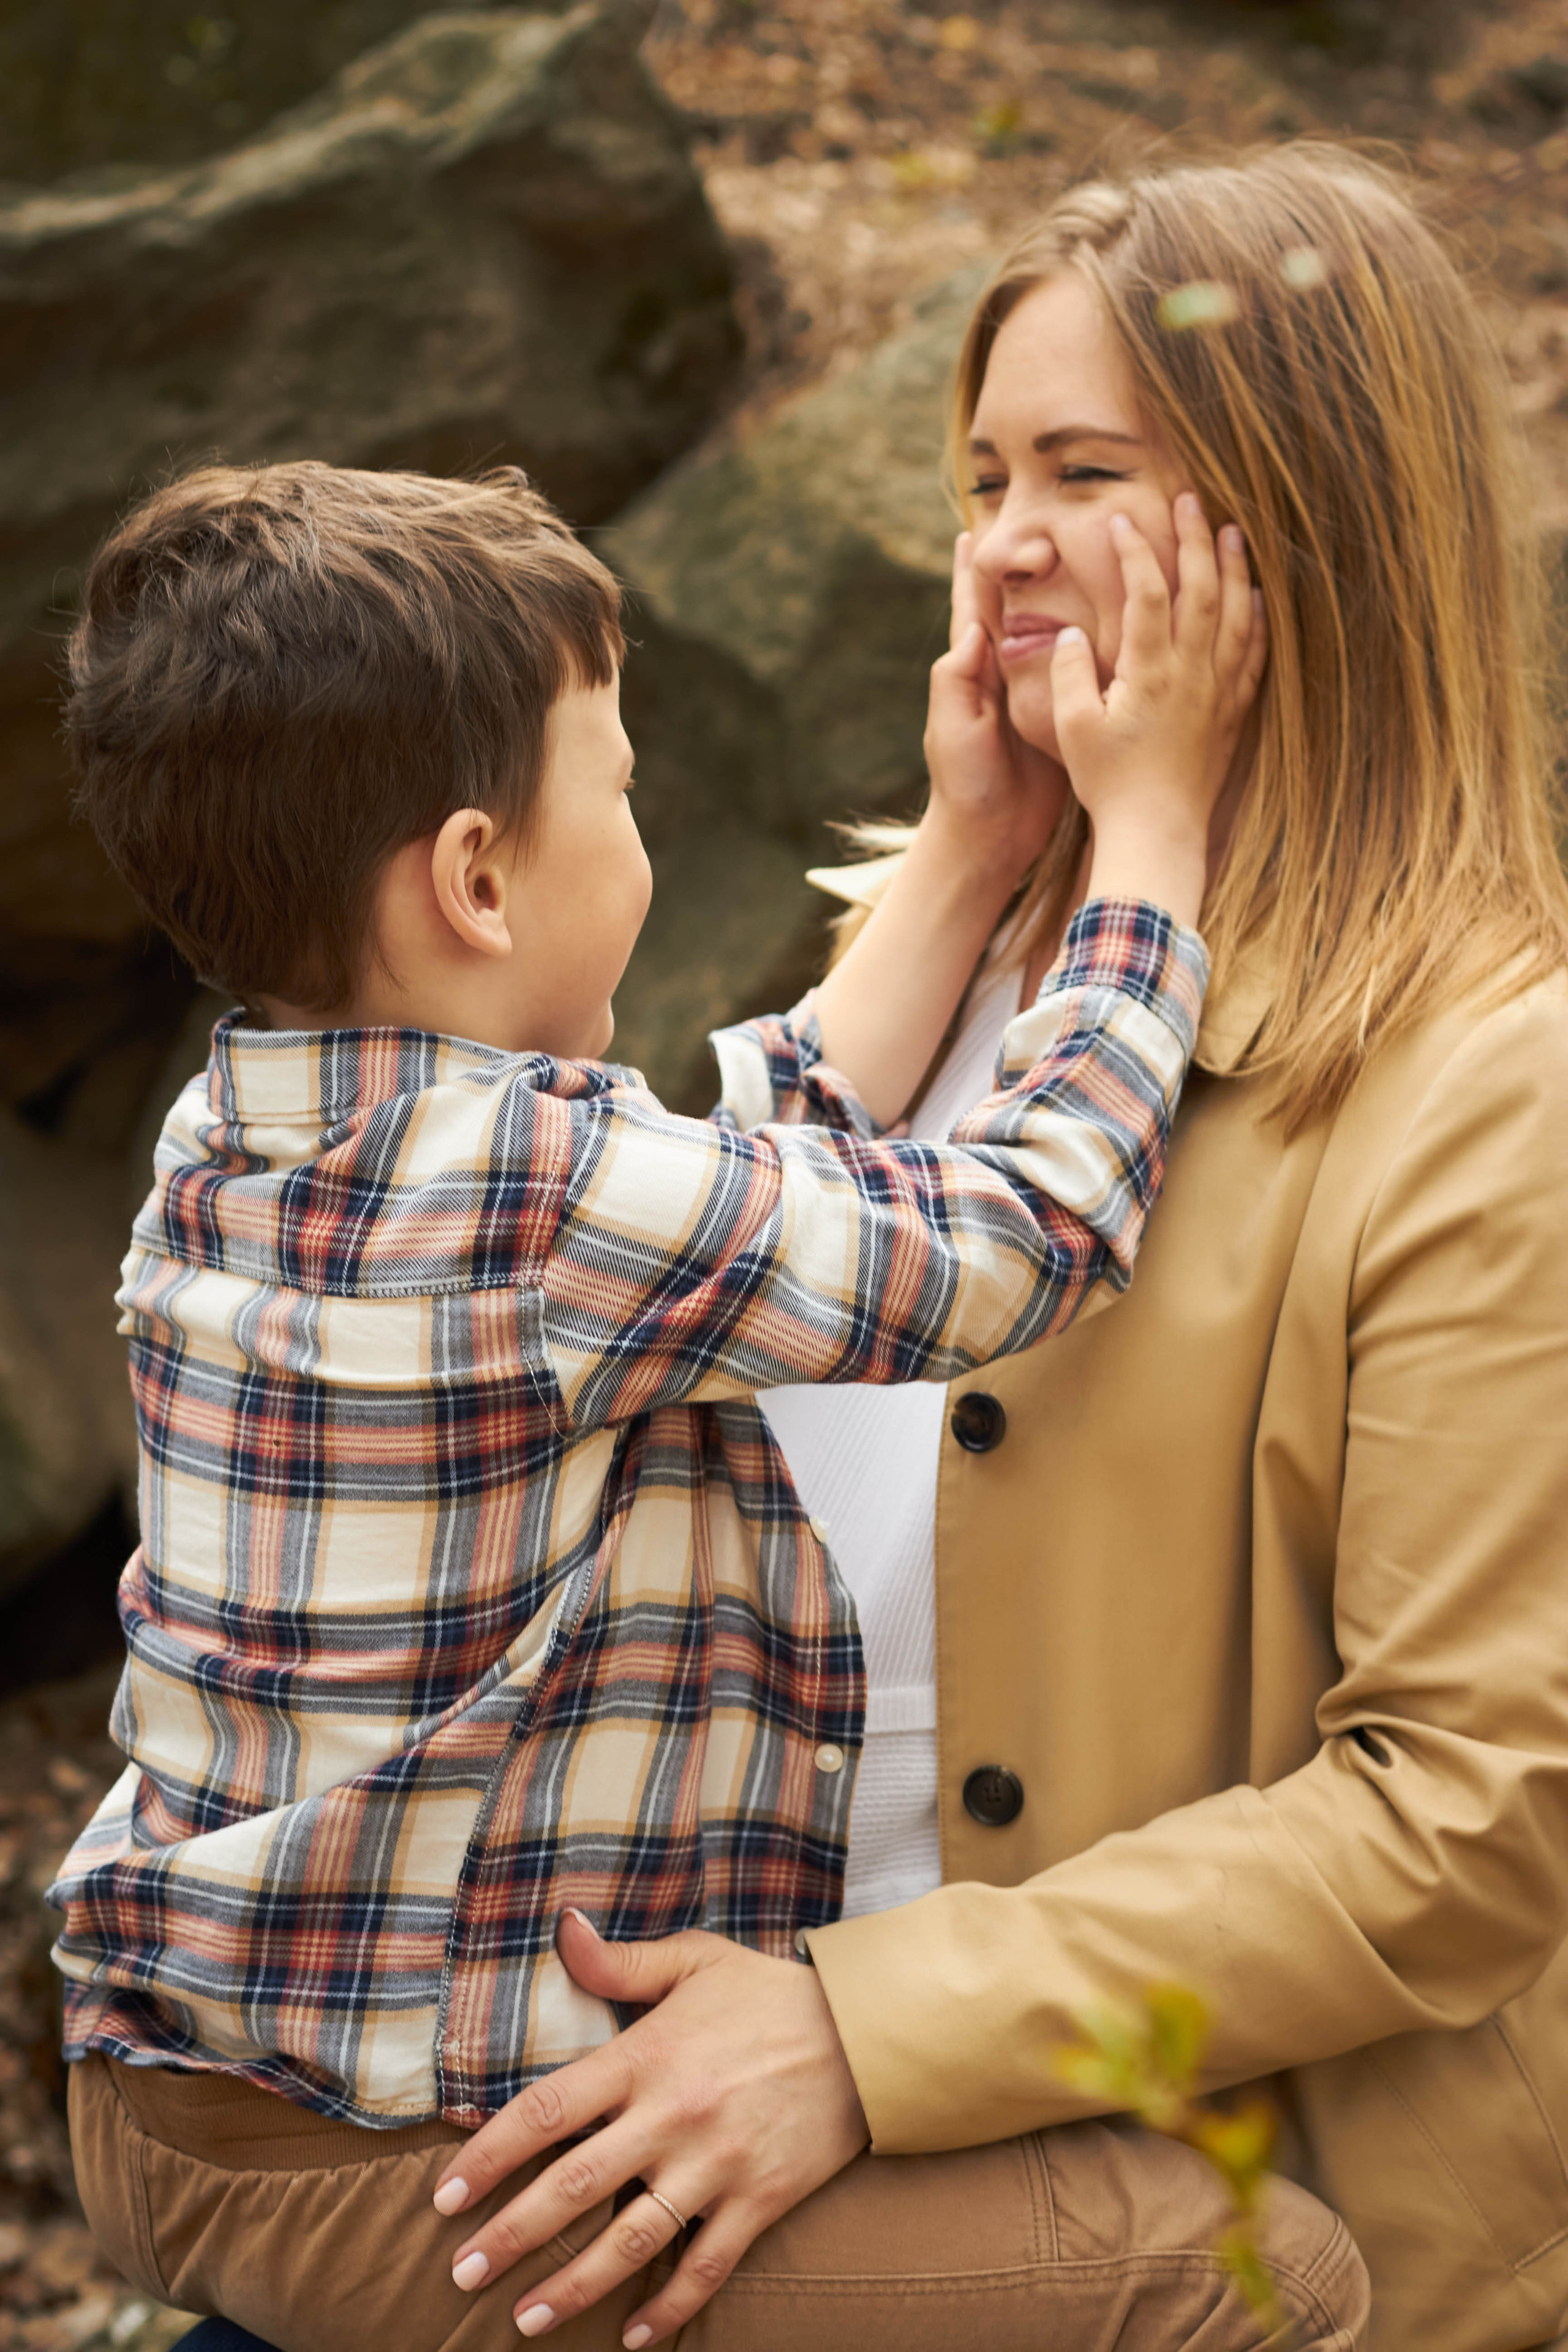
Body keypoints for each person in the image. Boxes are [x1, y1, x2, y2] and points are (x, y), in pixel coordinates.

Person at [418, 140, 1568, 2352]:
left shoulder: (1481, 1082)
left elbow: (1467, 1822)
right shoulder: (928, 954)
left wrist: (859, 2033)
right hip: (734, 2133)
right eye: (978, 476)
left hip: (1215, 2229)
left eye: (1084, 467)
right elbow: (626, 1306)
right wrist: (961, 865)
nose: (1004, 541)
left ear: (1301, 525)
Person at [50, 459, 1358, 2352]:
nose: (643, 821)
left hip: (187, 2093)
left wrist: (969, 855)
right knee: (1252, 2279)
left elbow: (739, 1183)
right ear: (481, 877)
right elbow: (1024, 1229)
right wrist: (1150, 840)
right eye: (627, 786)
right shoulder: (535, 1199)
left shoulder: (259, 1129)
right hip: (396, 2158)